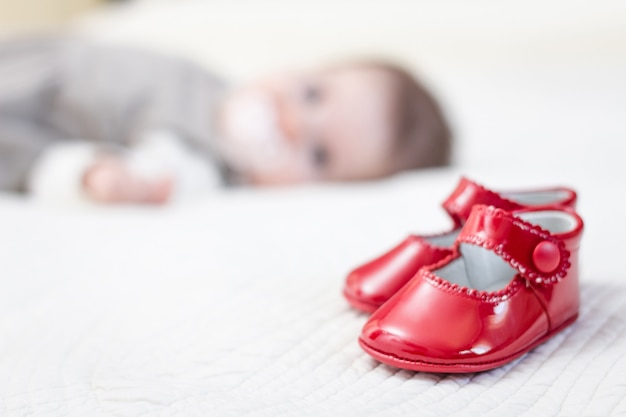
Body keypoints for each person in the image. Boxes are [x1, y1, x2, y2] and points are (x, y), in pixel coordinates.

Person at [0, 36, 451, 205]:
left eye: (319, 154)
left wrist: (105, 178)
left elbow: (160, 170)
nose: (293, 122)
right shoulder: (201, 85)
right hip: (38, 67)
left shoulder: (202, 171)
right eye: (311, 93)